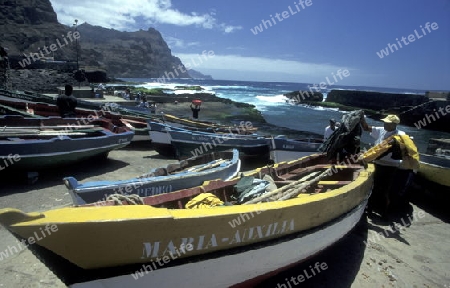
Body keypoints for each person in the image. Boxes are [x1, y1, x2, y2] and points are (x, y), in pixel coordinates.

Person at [360, 114, 413, 219]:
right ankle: (369, 209)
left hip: (391, 166)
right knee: (373, 187)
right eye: (384, 122)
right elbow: (366, 128)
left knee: (386, 190)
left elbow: (404, 146)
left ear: (394, 124)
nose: (384, 124)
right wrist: (362, 118)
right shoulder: (380, 130)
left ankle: (385, 213)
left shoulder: (400, 135)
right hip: (378, 164)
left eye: (387, 123)